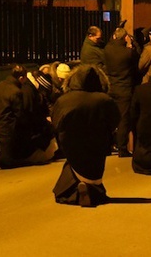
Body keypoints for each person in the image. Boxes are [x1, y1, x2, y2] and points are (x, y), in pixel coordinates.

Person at [51, 64, 120, 207]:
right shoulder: (105, 100)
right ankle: (91, 192)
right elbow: (115, 121)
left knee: (72, 169)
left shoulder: (64, 100)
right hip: (98, 143)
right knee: (94, 173)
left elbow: (56, 121)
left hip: (71, 143)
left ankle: (76, 192)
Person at [0, 65, 57, 170]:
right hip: (6, 130)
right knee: (8, 162)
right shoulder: (16, 92)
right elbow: (20, 116)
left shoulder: (1, 84)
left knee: (9, 156)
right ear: (21, 78)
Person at [104, 26, 139, 157]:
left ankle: (107, 146)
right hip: (124, 88)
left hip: (111, 87)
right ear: (125, 37)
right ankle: (122, 148)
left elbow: (110, 42)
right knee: (124, 118)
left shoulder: (107, 49)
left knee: (110, 118)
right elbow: (137, 60)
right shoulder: (128, 53)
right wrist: (131, 44)